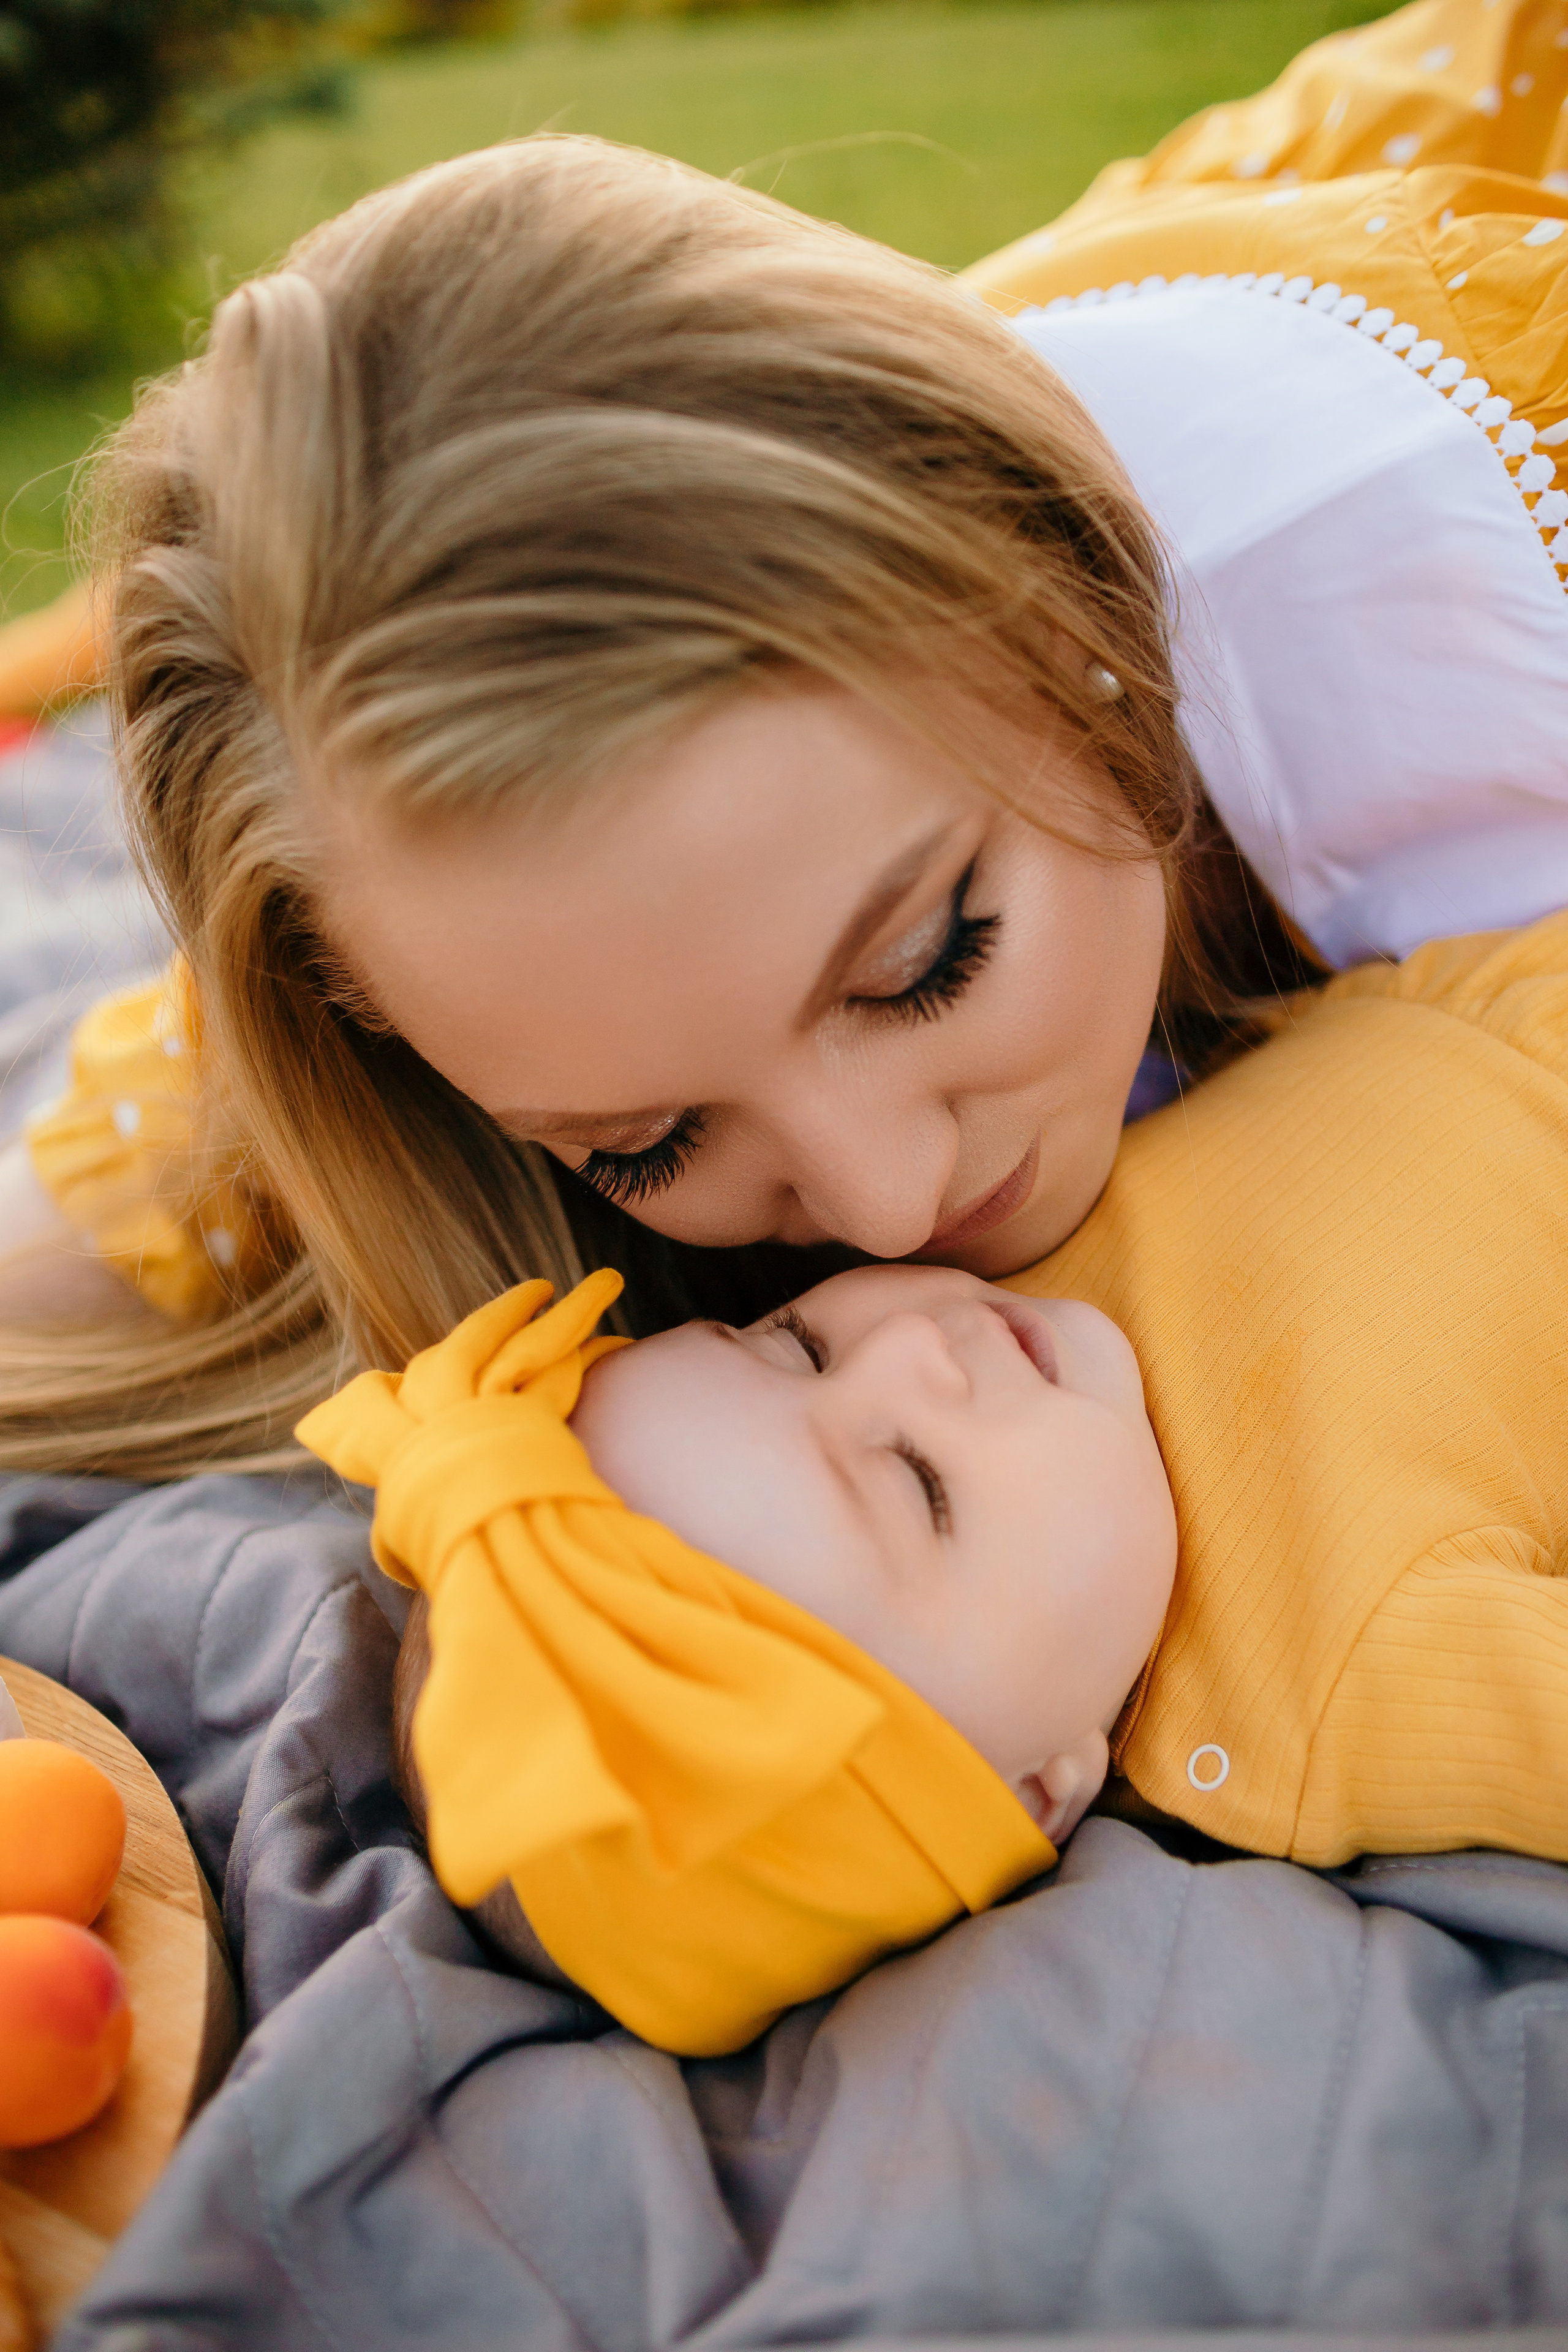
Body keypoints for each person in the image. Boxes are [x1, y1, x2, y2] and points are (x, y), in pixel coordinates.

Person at [4, 0, 1568, 1480]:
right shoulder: (434, 910)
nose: (888, 1207)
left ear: (1060, 606)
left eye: (920, 964)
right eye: (638, 1144)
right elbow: (108, 1220)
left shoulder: (1483, 563)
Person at [303, 907, 1568, 2056]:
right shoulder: (1329, 1682)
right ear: (1036, 1791)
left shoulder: (998, 1232)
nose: (913, 1347)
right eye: (918, 1487)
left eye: (792, 1343)